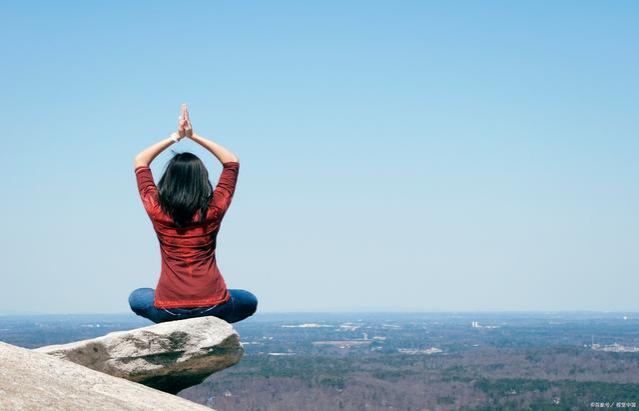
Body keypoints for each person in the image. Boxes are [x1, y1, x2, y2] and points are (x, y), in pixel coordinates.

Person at [128, 104, 257, 324]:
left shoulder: (157, 210)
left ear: (168, 180)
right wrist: (193, 136)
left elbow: (140, 160)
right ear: (202, 179)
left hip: (169, 309)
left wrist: (176, 137)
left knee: (138, 296)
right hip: (214, 305)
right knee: (249, 299)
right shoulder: (213, 210)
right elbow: (231, 162)